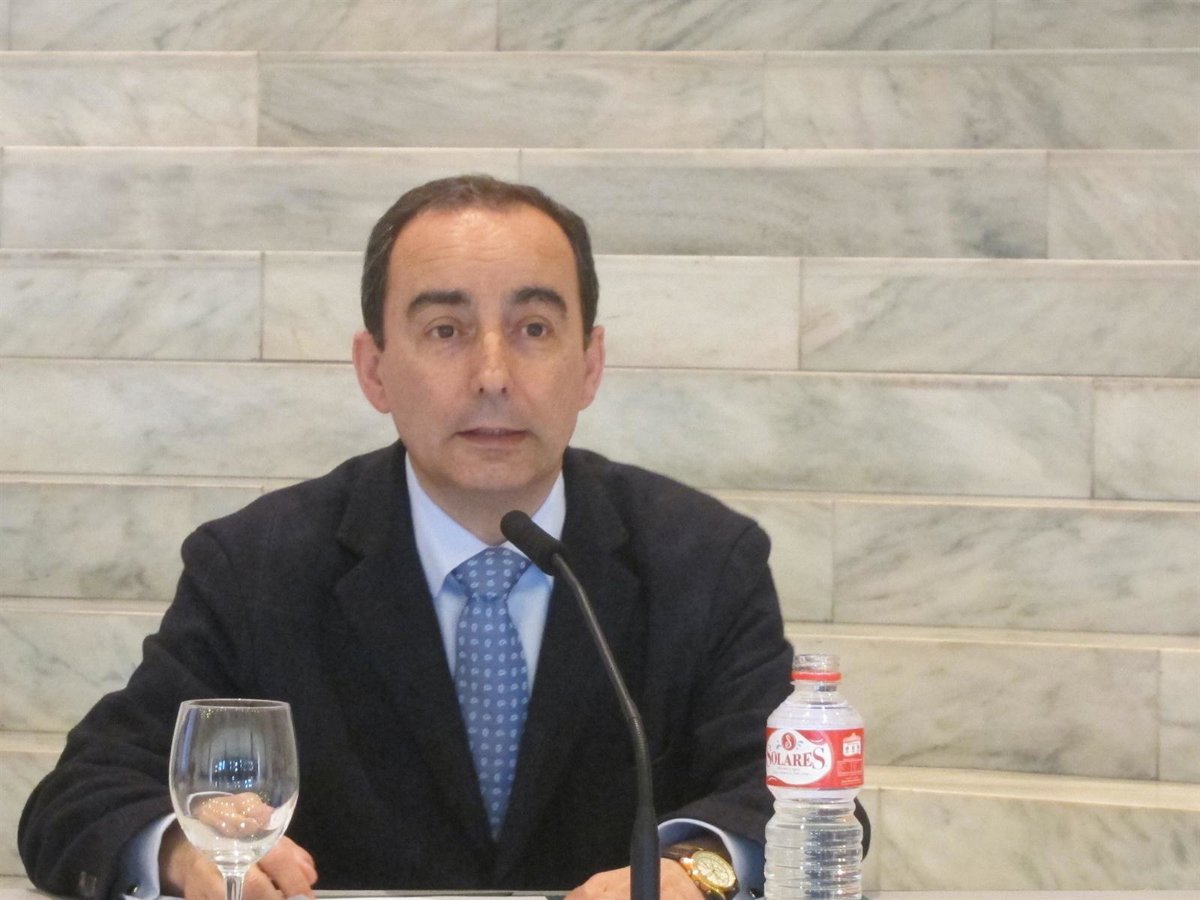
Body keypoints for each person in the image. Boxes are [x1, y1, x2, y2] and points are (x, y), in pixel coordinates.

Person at [19, 175, 868, 900]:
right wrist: (181, 848)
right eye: (445, 331)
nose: (493, 375)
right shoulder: (258, 566)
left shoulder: (701, 559)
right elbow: (81, 795)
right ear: (374, 369)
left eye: (534, 329)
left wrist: (695, 870)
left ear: (590, 364)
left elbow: (802, 796)